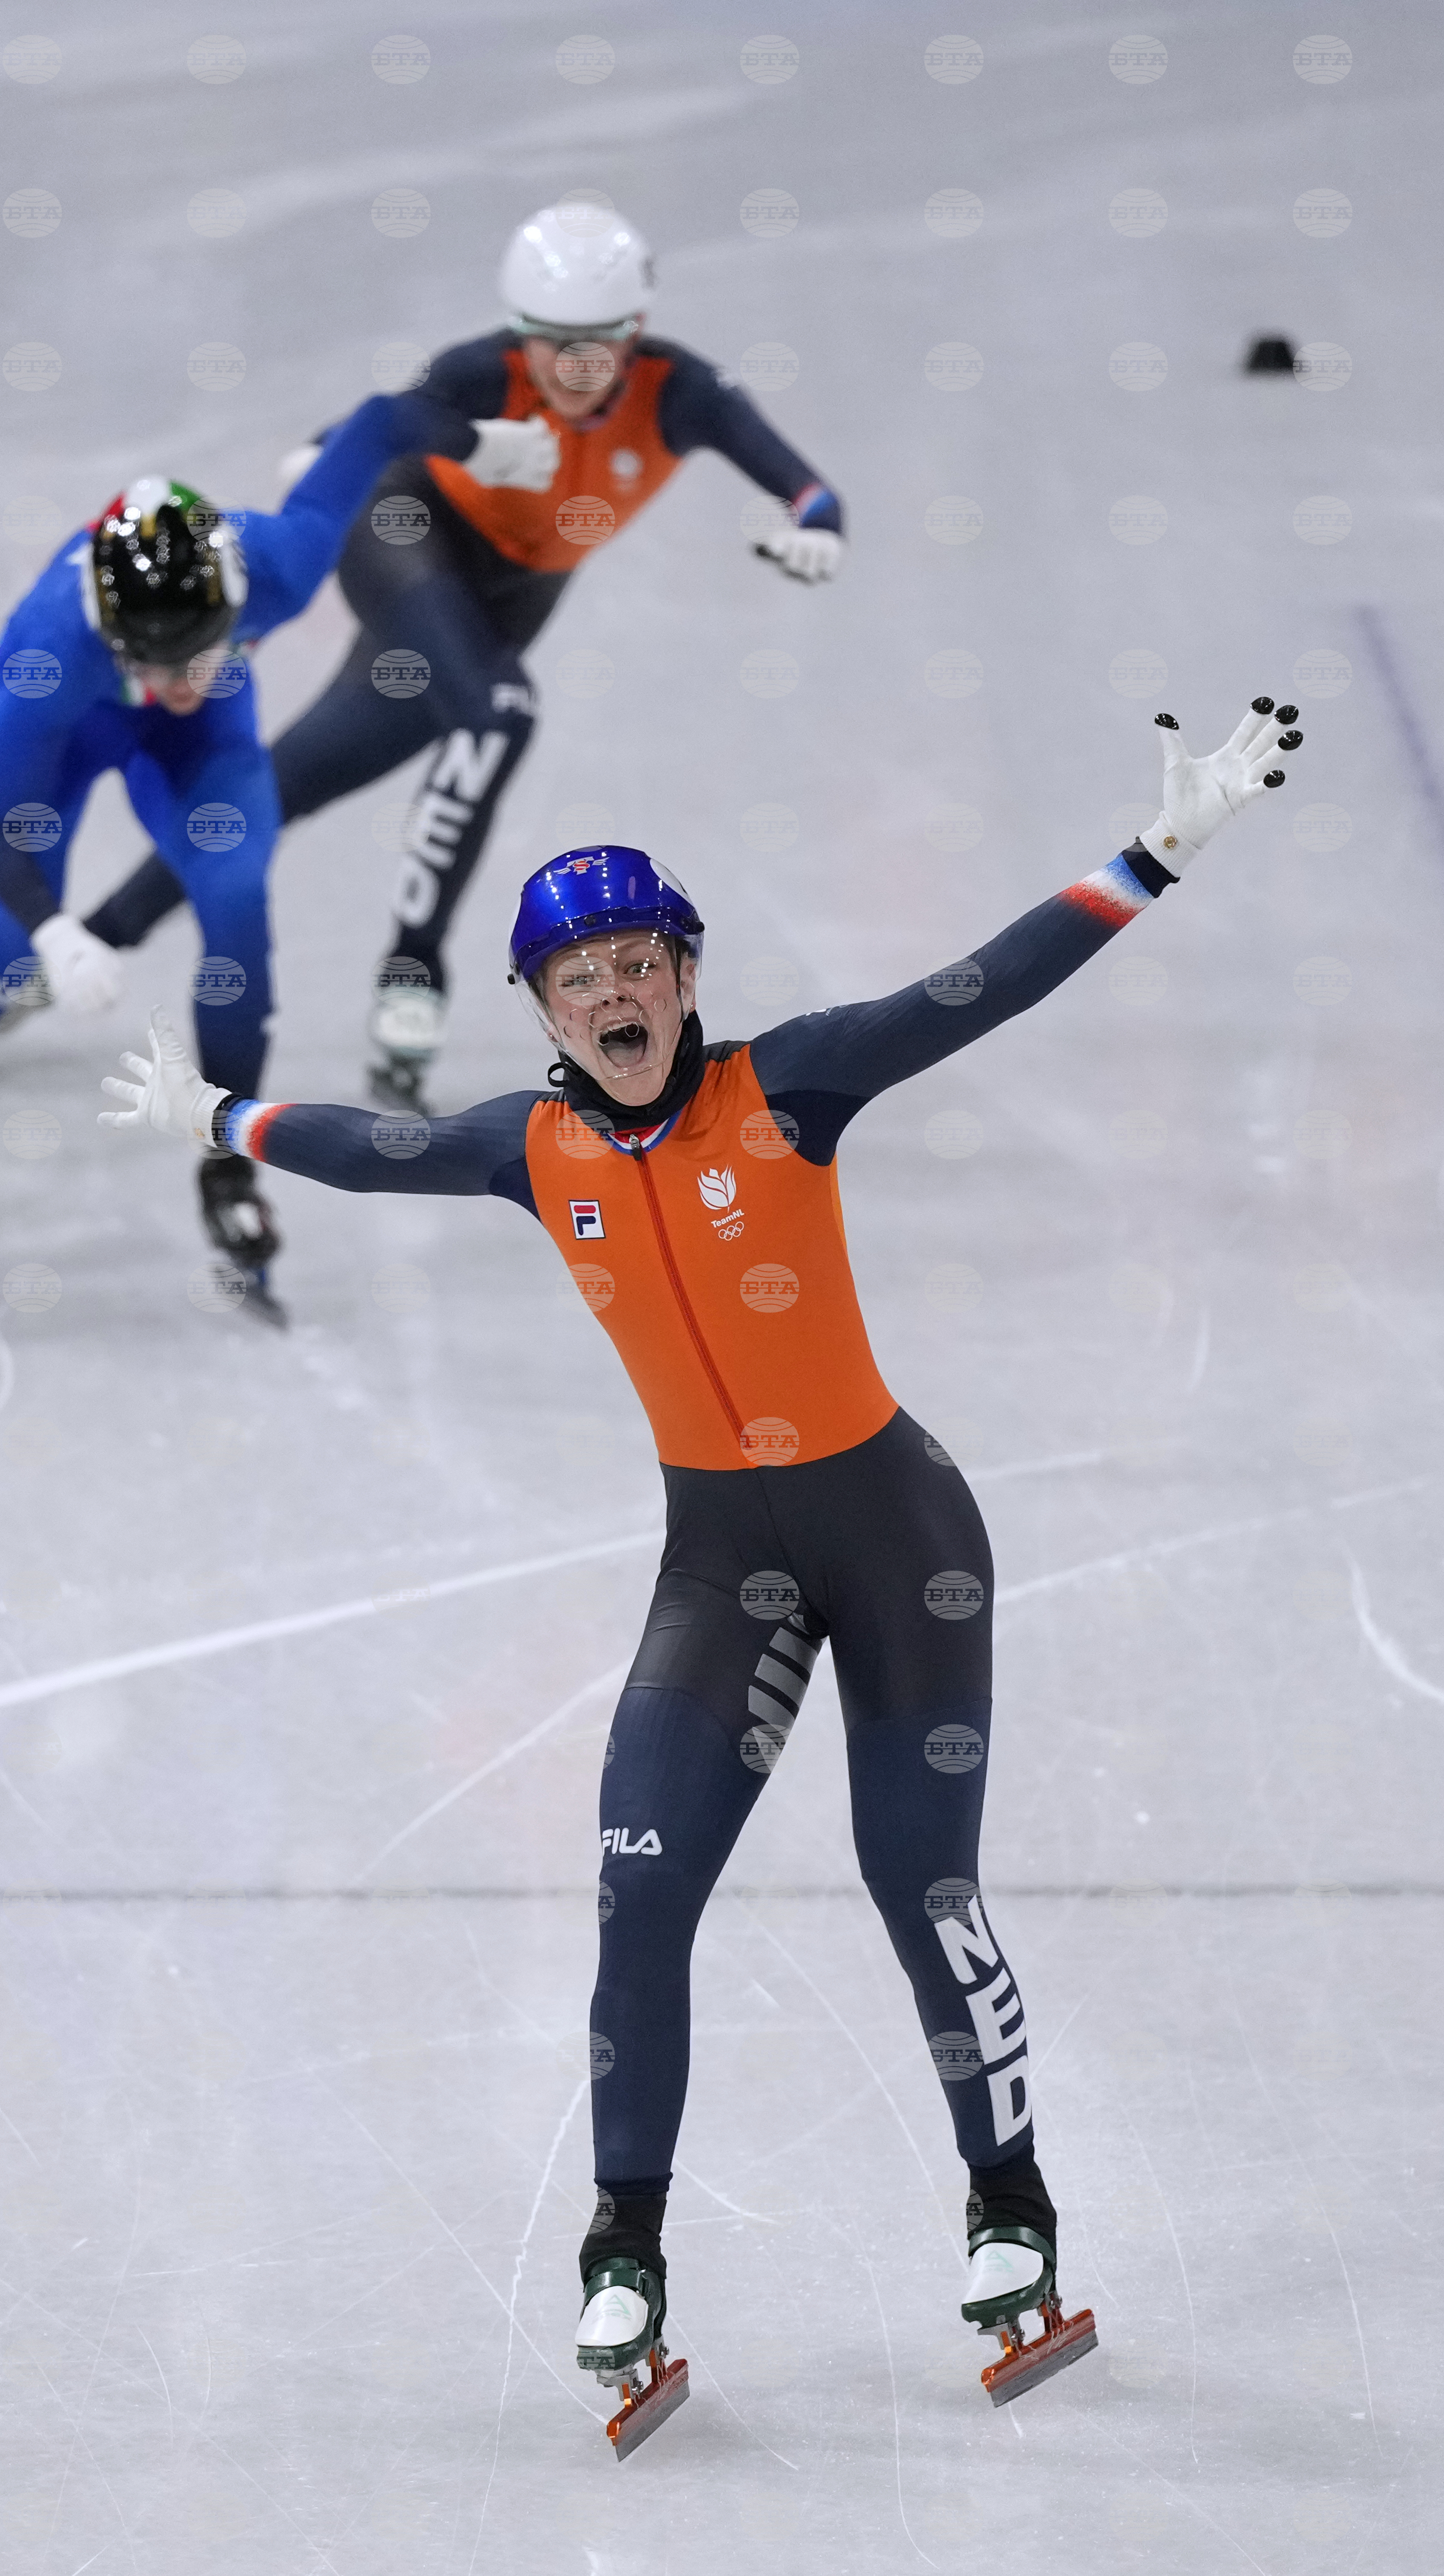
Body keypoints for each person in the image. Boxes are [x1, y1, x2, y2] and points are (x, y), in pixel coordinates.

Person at [97, 697, 1304, 2436]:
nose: (611, 995)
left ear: (682, 975)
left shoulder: (787, 1083)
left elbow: (973, 991)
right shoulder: (531, 1150)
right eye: (575, 977)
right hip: (720, 1565)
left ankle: (1009, 2210)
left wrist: (1155, 853)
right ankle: (625, 2247)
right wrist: (220, 1118)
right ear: (542, 1011)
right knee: (638, 1889)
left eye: (635, 965)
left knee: (919, 1887)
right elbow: (372, 1150)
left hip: (899, 1542)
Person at [0, 391, 558, 1335]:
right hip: (73, 733)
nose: (178, 685)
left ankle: (227, 1163)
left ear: (235, 601)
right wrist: (52, 932)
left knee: (237, 916)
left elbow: (384, 425)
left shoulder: (279, 562)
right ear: (113, 638)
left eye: (198, 653)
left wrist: (485, 445)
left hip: (203, 749)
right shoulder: (48, 652)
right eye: (154, 667)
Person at [77, 201, 846, 1114]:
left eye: (598, 343)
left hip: (509, 603)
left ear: (636, 331)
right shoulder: (482, 372)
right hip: (407, 537)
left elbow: (809, 489)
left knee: (289, 782)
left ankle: (94, 935)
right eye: (549, 342)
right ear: (519, 332)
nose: (572, 366)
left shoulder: (684, 393)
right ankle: (415, 967)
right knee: (502, 712)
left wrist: (817, 529)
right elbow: (362, 432)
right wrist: (315, 458)